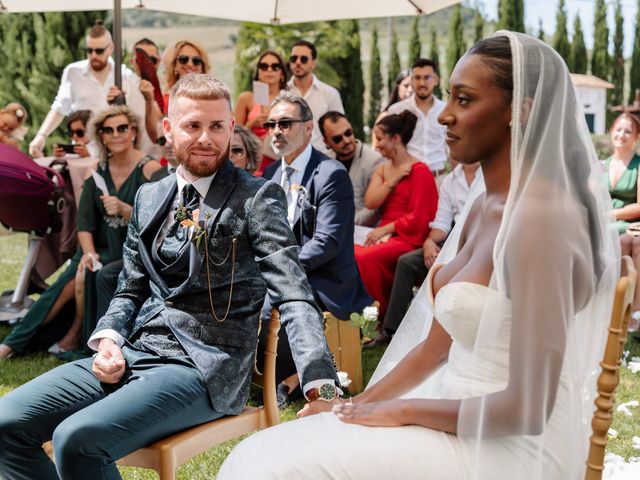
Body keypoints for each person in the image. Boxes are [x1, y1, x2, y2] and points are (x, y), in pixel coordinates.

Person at [218, 32, 618, 480]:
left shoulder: (540, 219)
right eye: (449, 97)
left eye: (464, 100)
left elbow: (527, 410)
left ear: (517, 112)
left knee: (276, 471)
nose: (444, 115)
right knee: (259, 454)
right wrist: (356, 405)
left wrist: (401, 410)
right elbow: (433, 350)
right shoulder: (483, 205)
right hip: (450, 409)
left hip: (509, 447)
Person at [0, 74, 340, 479]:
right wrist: (109, 340)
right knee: (6, 422)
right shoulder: (150, 196)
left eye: (216, 126)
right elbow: (129, 287)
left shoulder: (257, 197)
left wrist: (320, 385)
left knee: (78, 439)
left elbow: (295, 294)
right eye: (193, 125)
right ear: (168, 130)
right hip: (135, 353)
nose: (206, 138)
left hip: (206, 368)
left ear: (232, 127)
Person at [0, 105, 160, 359]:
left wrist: (126, 210)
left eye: (122, 128)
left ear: (132, 132)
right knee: (66, 282)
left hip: (130, 252)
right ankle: (13, 344)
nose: (116, 134)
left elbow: (158, 224)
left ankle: (68, 337)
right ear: (102, 136)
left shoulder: (150, 170)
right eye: (109, 130)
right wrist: (88, 253)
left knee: (85, 277)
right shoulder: (95, 171)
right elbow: (85, 224)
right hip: (97, 248)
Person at [263, 93, 371, 407]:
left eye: (285, 123)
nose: (276, 131)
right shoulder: (269, 174)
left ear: (308, 128)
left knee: (273, 296)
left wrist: (277, 267)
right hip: (285, 270)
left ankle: (293, 379)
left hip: (324, 278)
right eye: (272, 124)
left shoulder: (331, 174)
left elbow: (326, 243)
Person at [365, 161, 483, 348]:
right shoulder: (450, 180)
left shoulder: (488, 173)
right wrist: (429, 242)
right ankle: (390, 330)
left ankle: (442, 332)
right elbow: (442, 224)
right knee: (407, 262)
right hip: (452, 242)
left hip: (481, 243)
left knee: (447, 267)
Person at [355, 110, 438, 320]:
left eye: (381, 139)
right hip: (385, 234)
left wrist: (384, 230)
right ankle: (359, 312)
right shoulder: (383, 170)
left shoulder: (420, 170)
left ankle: (378, 317)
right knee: (352, 253)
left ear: (396, 138)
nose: (377, 145)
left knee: (365, 257)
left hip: (408, 236)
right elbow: (370, 201)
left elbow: (419, 217)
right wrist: (391, 181)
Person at [28, 20, 145, 158]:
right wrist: (41, 135)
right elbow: (60, 108)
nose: (94, 55)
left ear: (111, 48)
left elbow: (136, 117)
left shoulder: (125, 76)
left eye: (99, 51)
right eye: (89, 50)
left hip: (114, 151)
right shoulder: (73, 72)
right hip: (82, 151)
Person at [603, 112, 640, 328]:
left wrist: (611, 214)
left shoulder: (638, 166)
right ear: (611, 132)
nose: (622, 134)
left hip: (628, 224)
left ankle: (634, 308)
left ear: (636, 137)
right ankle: (613, 304)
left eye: (628, 131)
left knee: (630, 242)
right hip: (601, 225)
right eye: (618, 129)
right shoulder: (600, 165)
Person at [319, 110, 385, 226]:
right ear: (326, 142)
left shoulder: (374, 160)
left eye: (348, 133)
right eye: (337, 139)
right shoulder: (323, 161)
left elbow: (376, 208)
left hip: (363, 230)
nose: (346, 140)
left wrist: (348, 223)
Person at [388, 58, 448, 177]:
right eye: (417, 78)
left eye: (427, 78)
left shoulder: (446, 110)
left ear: (436, 80)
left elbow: (453, 148)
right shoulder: (397, 110)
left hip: (438, 179)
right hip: (408, 177)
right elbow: (389, 146)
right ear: (412, 80)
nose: (422, 83)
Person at [107, 38, 165, 158]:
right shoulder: (123, 87)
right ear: (133, 62)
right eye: (141, 60)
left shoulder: (167, 88)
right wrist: (112, 106)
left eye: (152, 60)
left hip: (163, 157)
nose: (146, 65)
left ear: (158, 61)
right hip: (134, 157)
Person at [235, 50, 288, 175]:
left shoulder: (289, 100)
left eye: (275, 67)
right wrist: (252, 124)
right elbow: (234, 135)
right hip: (252, 162)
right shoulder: (246, 98)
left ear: (282, 73)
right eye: (264, 66)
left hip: (280, 160)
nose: (269, 70)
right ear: (258, 72)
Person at [287, 40, 344, 152]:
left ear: (313, 63)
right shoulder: (282, 93)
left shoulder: (330, 93)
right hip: (289, 157)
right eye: (294, 58)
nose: (298, 62)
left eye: (304, 59)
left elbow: (340, 128)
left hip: (322, 158)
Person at [371, 69, 412, 150]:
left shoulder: (421, 117)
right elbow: (375, 147)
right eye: (406, 86)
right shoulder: (386, 115)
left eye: (413, 86)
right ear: (398, 87)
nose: (410, 90)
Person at [163, 39, 210, 107]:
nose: (190, 64)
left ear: (202, 67)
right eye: (183, 59)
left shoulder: (214, 97)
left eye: (196, 60)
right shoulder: (167, 100)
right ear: (175, 65)